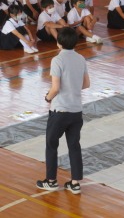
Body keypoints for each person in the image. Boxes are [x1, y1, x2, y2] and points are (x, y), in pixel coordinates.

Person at [36, 27, 90, 194]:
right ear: (75, 42)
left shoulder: (57, 60)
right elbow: (86, 84)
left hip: (60, 111)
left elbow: (55, 87)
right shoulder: (81, 59)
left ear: (58, 43)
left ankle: (51, 181)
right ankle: (74, 183)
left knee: (51, 144)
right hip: (76, 111)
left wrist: (47, 98)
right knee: (74, 146)